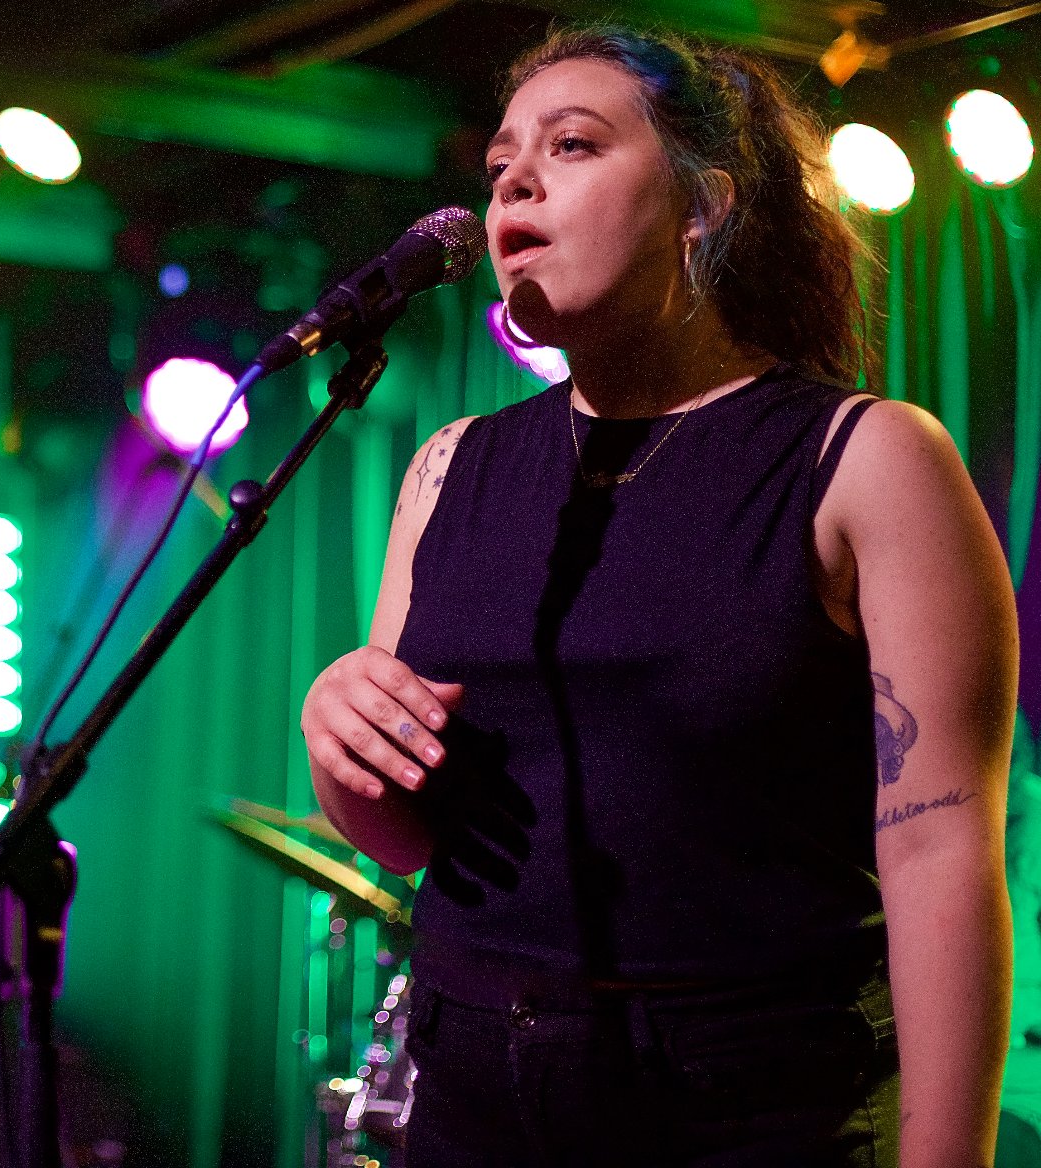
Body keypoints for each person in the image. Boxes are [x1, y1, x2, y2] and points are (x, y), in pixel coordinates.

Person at [300, 26, 1012, 1168]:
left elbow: (940, 859)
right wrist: (338, 741)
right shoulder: (450, 467)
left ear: (702, 206)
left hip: (747, 1100)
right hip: (473, 1082)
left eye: (572, 145)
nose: (513, 182)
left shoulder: (865, 457)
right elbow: (406, 836)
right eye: (499, 164)